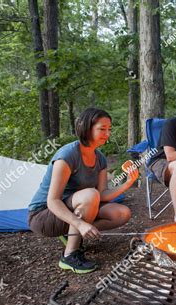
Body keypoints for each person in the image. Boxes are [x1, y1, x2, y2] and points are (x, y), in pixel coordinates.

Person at [28, 108, 139, 274]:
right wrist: (79, 224)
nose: (107, 133)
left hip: (73, 209)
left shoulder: (99, 157)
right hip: (44, 216)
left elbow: (102, 194)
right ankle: (69, 256)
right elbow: (53, 201)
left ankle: (73, 234)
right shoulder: (67, 155)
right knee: (90, 194)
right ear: (87, 128)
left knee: (122, 213)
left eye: (109, 129)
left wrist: (128, 182)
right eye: (102, 129)